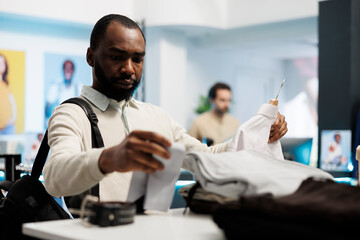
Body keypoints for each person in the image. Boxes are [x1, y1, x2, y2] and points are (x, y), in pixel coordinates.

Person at [43, 14, 288, 203]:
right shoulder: (71, 113)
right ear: (90, 57)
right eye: (117, 57)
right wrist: (111, 157)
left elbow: (207, 158)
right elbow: (54, 177)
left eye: (137, 59)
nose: (129, 68)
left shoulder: (155, 116)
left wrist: (258, 135)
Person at [45, 59, 78, 127]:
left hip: (73, 125)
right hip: (57, 125)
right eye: (66, 68)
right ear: (63, 70)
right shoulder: (55, 87)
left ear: (73, 71)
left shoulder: (79, 88)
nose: (68, 71)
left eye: (70, 68)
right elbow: (47, 110)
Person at [0, 54, 17, 134]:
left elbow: (12, 104)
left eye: (2, 63)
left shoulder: (6, 85)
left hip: (8, 127)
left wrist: (13, 118)